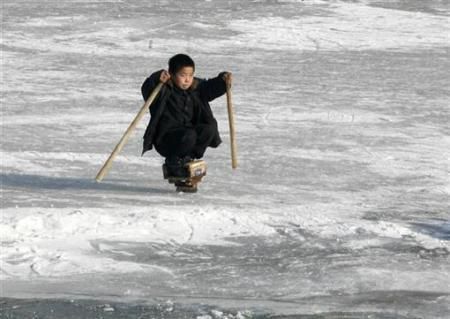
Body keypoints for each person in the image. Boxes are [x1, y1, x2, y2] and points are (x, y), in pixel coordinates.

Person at [141, 53, 232, 177]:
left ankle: (188, 158)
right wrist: (158, 78)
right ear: (171, 75)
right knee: (189, 135)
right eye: (182, 75)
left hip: (188, 137)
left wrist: (223, 80)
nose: (187, 79)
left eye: (190, 75)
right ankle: (174, 161)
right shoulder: (164, 89)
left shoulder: (195, 88)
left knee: (209, 128)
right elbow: (148, 88)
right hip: (166, 139)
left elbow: (210, 88)